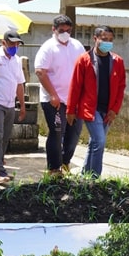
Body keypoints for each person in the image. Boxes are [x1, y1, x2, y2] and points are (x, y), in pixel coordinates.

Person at [66, 25, 127, 179]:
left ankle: (85, 175)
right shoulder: (84, 60)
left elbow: (121, 87)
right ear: (95, 39)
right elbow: (75, 86)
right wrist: (70, 110)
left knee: (94, 142)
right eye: (104, 39)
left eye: (110, 40)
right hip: (90, 108)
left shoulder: (117, 61)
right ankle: (95, 178)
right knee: (100, 141)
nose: (108, 42)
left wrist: (115, 109)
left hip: (108, 110)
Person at [34, 15, 86, 176]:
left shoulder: (77, 46)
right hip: (54, 100)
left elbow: (85, 69)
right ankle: (54, 168)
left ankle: (65, 162)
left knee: (74, 134)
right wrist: (53, 95)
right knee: (57, 132)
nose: (65, 33)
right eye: (62, 30)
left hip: (75, 101)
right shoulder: (48, 48)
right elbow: (40, 72)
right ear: (54, 29)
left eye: (68, 30)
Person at [0, 31, 27, 185]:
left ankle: (0, 165)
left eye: (17, 44)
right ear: (3, 42)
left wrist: (22, 105)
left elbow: (20, 84)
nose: (15, 46)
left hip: (10, 104)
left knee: (6, 137)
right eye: (12, 43)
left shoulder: (16, 61)